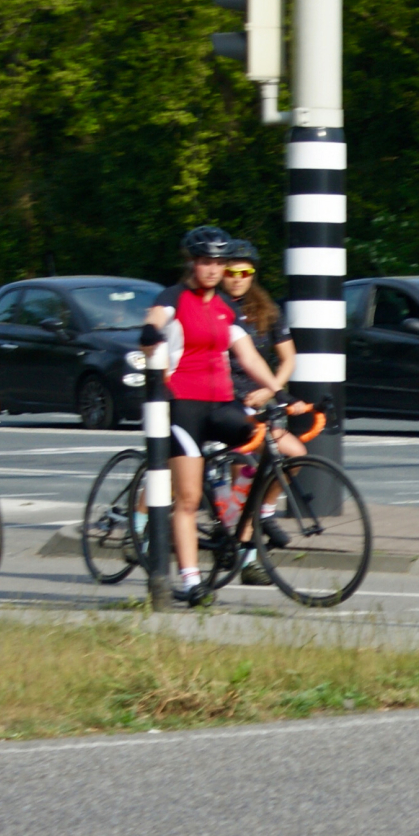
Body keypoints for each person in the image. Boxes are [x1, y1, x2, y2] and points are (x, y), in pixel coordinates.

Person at [139, 226, 285, 604]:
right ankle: (190, 579)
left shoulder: (225, 308)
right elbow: (157, 317)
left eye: (218, 263)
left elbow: (248, 355)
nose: (212, 269)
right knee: (186, 499)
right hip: (183, 404)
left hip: (222, 402)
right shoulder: (175, 297)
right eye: (205, 261)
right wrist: (151, 333)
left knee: (263, 450)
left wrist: (277, 392)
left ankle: (236, 520)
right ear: (192, 262)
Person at [219, 239, 302, 559]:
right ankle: (244, 548)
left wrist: (272, 390)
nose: (238, 277)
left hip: (259, 398)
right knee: (245, 470)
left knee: (294, 453)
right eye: (231, 271)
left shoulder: (266, 309)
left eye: (245, 271)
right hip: (225, 399)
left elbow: (288, 358)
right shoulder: (216, 308)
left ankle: (265, 512)